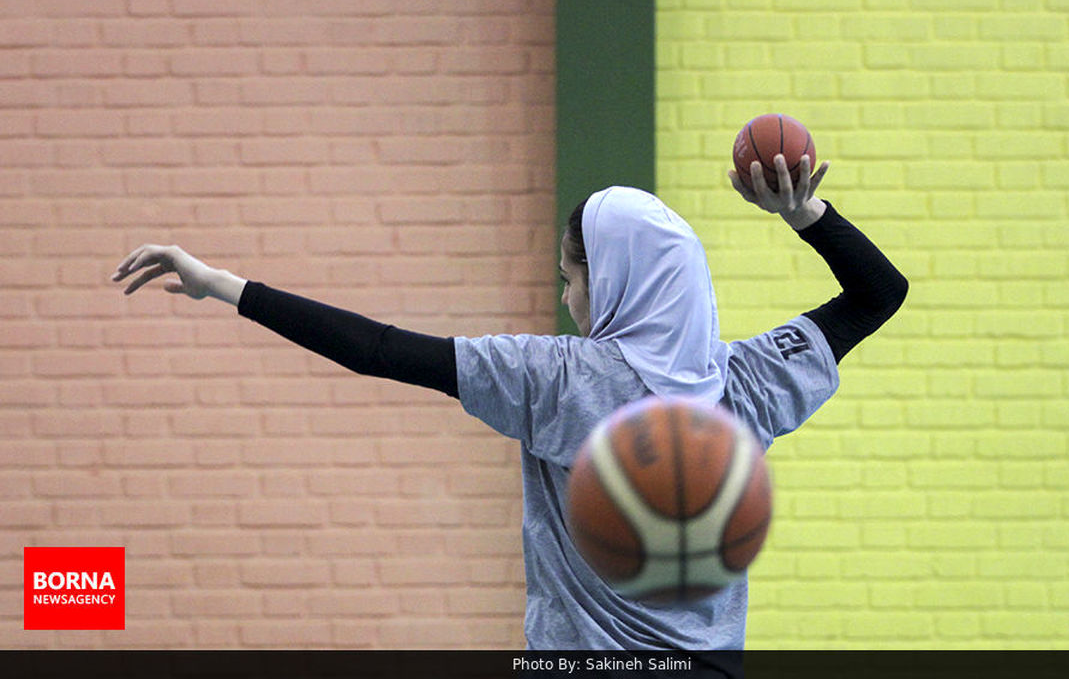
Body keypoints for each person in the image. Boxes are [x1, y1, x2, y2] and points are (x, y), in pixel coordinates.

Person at [112, 154, 907, 650]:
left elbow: (379, 350)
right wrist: (803, 212)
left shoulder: (557, 379)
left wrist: (224, 287)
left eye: (572, 278)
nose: (567, 299)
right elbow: (879, 293)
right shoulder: (750, 384)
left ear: (619, 280)